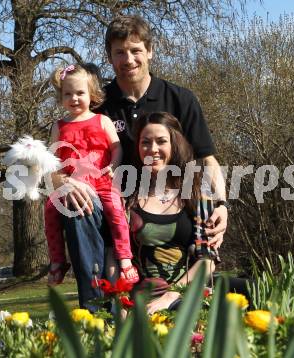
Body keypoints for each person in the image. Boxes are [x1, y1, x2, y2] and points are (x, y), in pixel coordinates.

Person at [52, 15, 228, 311]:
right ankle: (96, 314)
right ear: (109, 57)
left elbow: (207, 159)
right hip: (108, 205)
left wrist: (221, 204)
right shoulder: (96, 104)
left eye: (135, 50)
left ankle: (179, 294)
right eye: (119, 52)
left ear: (150, 51)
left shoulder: (180, 99)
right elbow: (55, 162)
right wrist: (64, 182)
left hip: (171, 207)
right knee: (75, 203)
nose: (128, 59)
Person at [44, 64, 139, 292]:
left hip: (102, 181)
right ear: (61, 97)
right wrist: (61, 180)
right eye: (68, 94)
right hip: (73, 184)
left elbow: (117, 148)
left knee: (116, 210)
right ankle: (58, 260)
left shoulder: (102, 121)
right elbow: (52, 160)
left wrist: (113, 166)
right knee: (49, 209)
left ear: (92, 94)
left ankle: (125, 257)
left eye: (80, 93)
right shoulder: (59, 127)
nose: (74, 98)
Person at [126, 111, 218, 314]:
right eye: (145, 142)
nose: (153, 149)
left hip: (189, 294)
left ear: (174, 144)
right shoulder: (128, 198)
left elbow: (207, 261)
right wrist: (121, 303)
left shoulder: (196, 191)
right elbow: (118, 256)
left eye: (161, 141)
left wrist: (171, 295)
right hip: (145, 299)